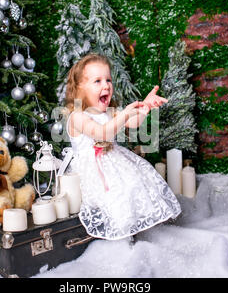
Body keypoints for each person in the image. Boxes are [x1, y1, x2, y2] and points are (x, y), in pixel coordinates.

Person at [64, 53, 181, 240]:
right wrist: (124, 115)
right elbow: (103, 133)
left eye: (108, 80)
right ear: (80, 88)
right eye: (97, 81)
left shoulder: (110, 111)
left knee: (134, 182)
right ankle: (120, 235)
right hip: (93, 169)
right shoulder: (78, 116)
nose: (106, 85)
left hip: (114, 160)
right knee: (115, 195)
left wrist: (145, 108)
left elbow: (133, 122)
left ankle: (131, 229)